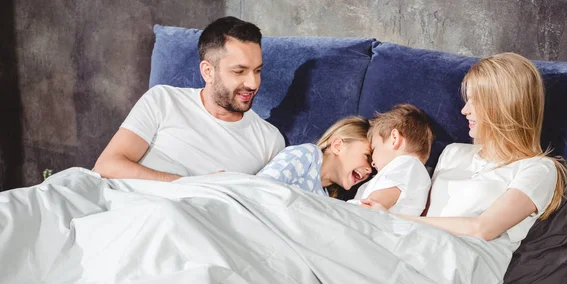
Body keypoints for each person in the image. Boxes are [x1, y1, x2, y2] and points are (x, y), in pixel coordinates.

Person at [363, 52, 567, 255]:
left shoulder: (539, 169)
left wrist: (393, 219)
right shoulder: (453, 153)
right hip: (417, 249)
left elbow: (483, 229)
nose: (465, 110)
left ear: (503, 105)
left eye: (475, 101)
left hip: (460, 267)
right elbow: (424, 213)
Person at [93, 16, 284, 181]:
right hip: (124, 201)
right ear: (208, 72)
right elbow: (107, 166)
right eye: (239, 71)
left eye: (257, 70)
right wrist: (189, 184)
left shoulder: (269, 141)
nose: (252, 83)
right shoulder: (163, 100)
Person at [347, 104, 434, 216]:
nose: (372, 163)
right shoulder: (407, 168)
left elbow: (370, 206)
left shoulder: (407, 165)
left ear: (394, 139)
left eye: (374, 149)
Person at [257, 116, 373, 197]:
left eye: (374, 169)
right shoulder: (308, 155)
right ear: (338, 146)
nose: (369, 170)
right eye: (367, 156)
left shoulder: (325, 197)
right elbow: (260, 187)